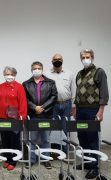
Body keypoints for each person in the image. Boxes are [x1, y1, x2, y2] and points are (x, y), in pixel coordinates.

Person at [72, 48, 109, 179]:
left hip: (93, 110)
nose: (85, 59)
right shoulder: (79, 73)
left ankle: (94, 167)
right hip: (80, 110)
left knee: (92, 138)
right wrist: (75, 108)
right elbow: (78, 93)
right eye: (83, 57)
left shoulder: (99, 72)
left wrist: (101, 110)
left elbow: (104, 93)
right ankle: (87, 162)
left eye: (87, 57)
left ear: (92, 57)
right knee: (82, 136)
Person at [22, 61, 57, 169]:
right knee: (32, 139)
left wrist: (43, 107)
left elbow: (53, 97)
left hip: (46, 115)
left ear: (42, 69)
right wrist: (34, 107)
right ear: (31, 70)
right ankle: (32, 160)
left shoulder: (50, 82)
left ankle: (45, 159)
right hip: (33, 115)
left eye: (38, 68)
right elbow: (25, 99)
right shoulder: (26, 84)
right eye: (34, 68)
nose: (37, 70)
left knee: (46, 139)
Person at [0, 66, 27, 171]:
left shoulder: (19, 87)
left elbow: (23, 103)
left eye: (11, 74)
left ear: (15, 75)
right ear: (4, 75)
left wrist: (22, 118)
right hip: (2, 118)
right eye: (7, 74)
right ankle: (7, 159)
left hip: (14, 119)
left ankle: (13, 161)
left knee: (14, 141)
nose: (9, 76)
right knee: (5, 140)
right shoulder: (0, 86)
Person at [45, 54, 74, 153]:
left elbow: (73, 90)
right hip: (53, 105)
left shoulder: (69, 74)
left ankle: (64, 152)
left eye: (59, 59)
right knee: (53, 128)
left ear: (62, 60)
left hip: (67, 104)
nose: (57, 60)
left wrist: (73, 106)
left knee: (65, 128)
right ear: (52, 61)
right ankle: (54, 152)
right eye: (55, 59)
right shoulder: (46, 74)